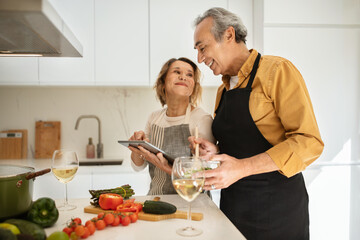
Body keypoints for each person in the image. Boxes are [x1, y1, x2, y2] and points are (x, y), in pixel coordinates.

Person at [189, 7, 324, 240]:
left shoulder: (277, 71)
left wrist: (241, 168)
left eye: (202, 48)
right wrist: (217, 151)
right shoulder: (223, 90)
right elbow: (242, 145)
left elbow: (309, 142)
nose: (199, 59)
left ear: (229, 35)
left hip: (278, 211)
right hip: (233, 208)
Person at [129, 57, 215, 195]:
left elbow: (206, 175)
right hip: (157, 201)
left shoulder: (201, 119)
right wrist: (136, 148)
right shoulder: (154, 118)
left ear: (193, 88)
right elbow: (138, 166)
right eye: (177, 72)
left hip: (193, 203)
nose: (183, 77)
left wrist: (166, 167)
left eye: (189, 74)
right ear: (163, 83)